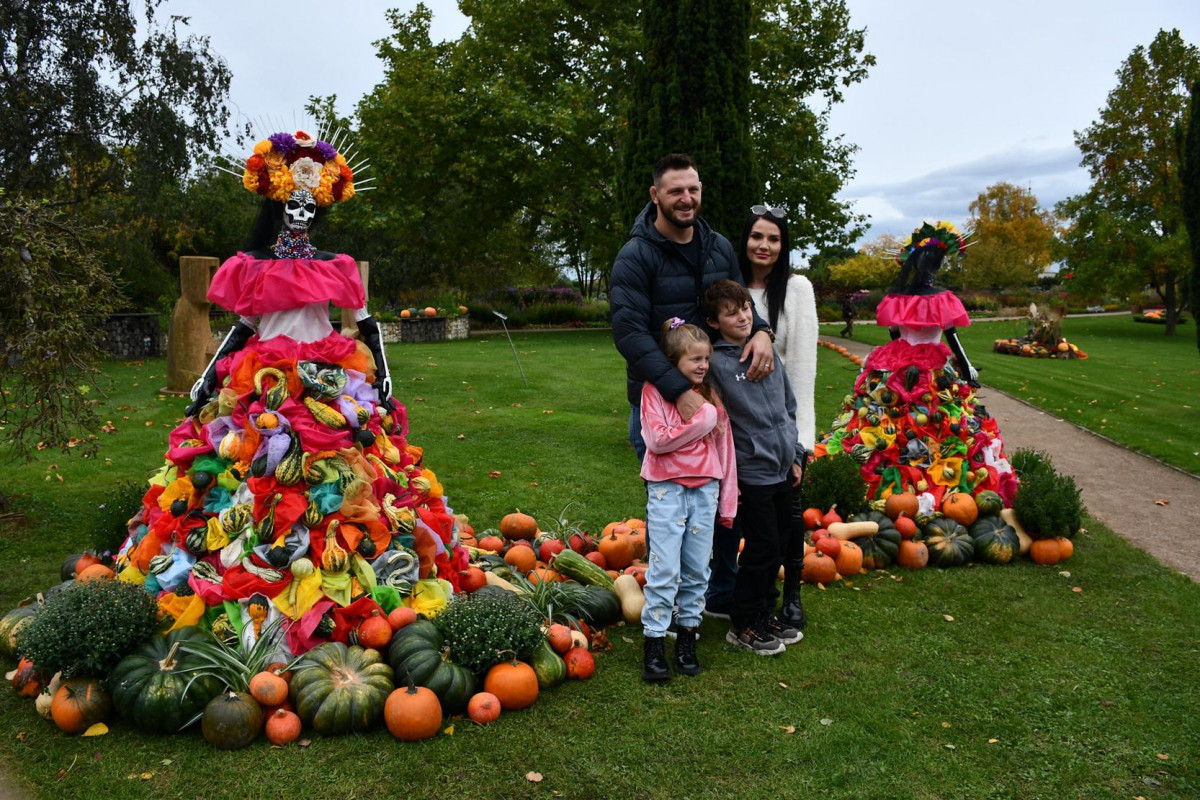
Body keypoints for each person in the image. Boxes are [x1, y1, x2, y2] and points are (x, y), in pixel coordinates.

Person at [111, 129, 468, 656]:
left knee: (342, 470)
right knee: (245, 467)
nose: (298, 212)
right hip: (261, 382)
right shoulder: (256, 267)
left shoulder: (336, 264)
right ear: (277, 205)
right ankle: (246, 566)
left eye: (308, 204)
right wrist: (208, 376)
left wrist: (385, 375)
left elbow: (365, 327)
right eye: (289, 203)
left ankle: (340, 576)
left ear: (319, 207)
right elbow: (241, 330)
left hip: (330, 375)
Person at [813, 220, 1018, 511]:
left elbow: (894, 333)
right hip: (934, 367)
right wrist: (967, 368)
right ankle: (931, 487)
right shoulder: (942, 299)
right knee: (937, 423)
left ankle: (892, 485)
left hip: (895, 362)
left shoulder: (899, 299)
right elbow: (952, 338)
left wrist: (902, 350)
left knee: (886, 420)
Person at [610, 153, 776, 463]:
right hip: (660, 400)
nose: (687, 199)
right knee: (670, 504)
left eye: (693, 190)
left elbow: (740, 302)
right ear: (655, 195)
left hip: (719, 393)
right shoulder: (635, 256)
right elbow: (629, 333)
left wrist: (762, 330)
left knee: (725, 499)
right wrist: (678, 390)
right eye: (675, 192)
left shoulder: (719, 247)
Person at [702, 280, 806, 655]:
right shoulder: (715, 365)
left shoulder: (766, 352)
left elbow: (787, 405)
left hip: (782, 465)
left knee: (778, 545)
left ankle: (763, 612)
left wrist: (794, 453)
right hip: (752, 472)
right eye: (731, 313)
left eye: (745, 308)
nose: (743, 316)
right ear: (714, 323)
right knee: (761, 548)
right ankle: (743, 622)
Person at [727, 205, 818, 631]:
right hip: (744, 434)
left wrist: (800, 442)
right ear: (744, 240)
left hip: (784, 429)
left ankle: (792, 593)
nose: (764, 246)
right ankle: (745, 597)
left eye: (774, 239)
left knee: (789, 519)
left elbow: (802, 365)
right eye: (757, 237)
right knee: (749, 522)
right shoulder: (731, 291)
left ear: (784, 246)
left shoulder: (797, 289)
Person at [637, 318, 738, 682]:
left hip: (705, 491)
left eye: (706, 358)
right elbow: (658, 441)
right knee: (665, 570)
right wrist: (703, 421)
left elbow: (725, 454)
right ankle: (653, 643)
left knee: (697, 569)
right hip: (667, 490)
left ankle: (687, 638)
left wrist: (728, 504)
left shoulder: (710, 398)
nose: (702, 365)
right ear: (672, 360)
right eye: (694, 359)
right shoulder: (654, 392)